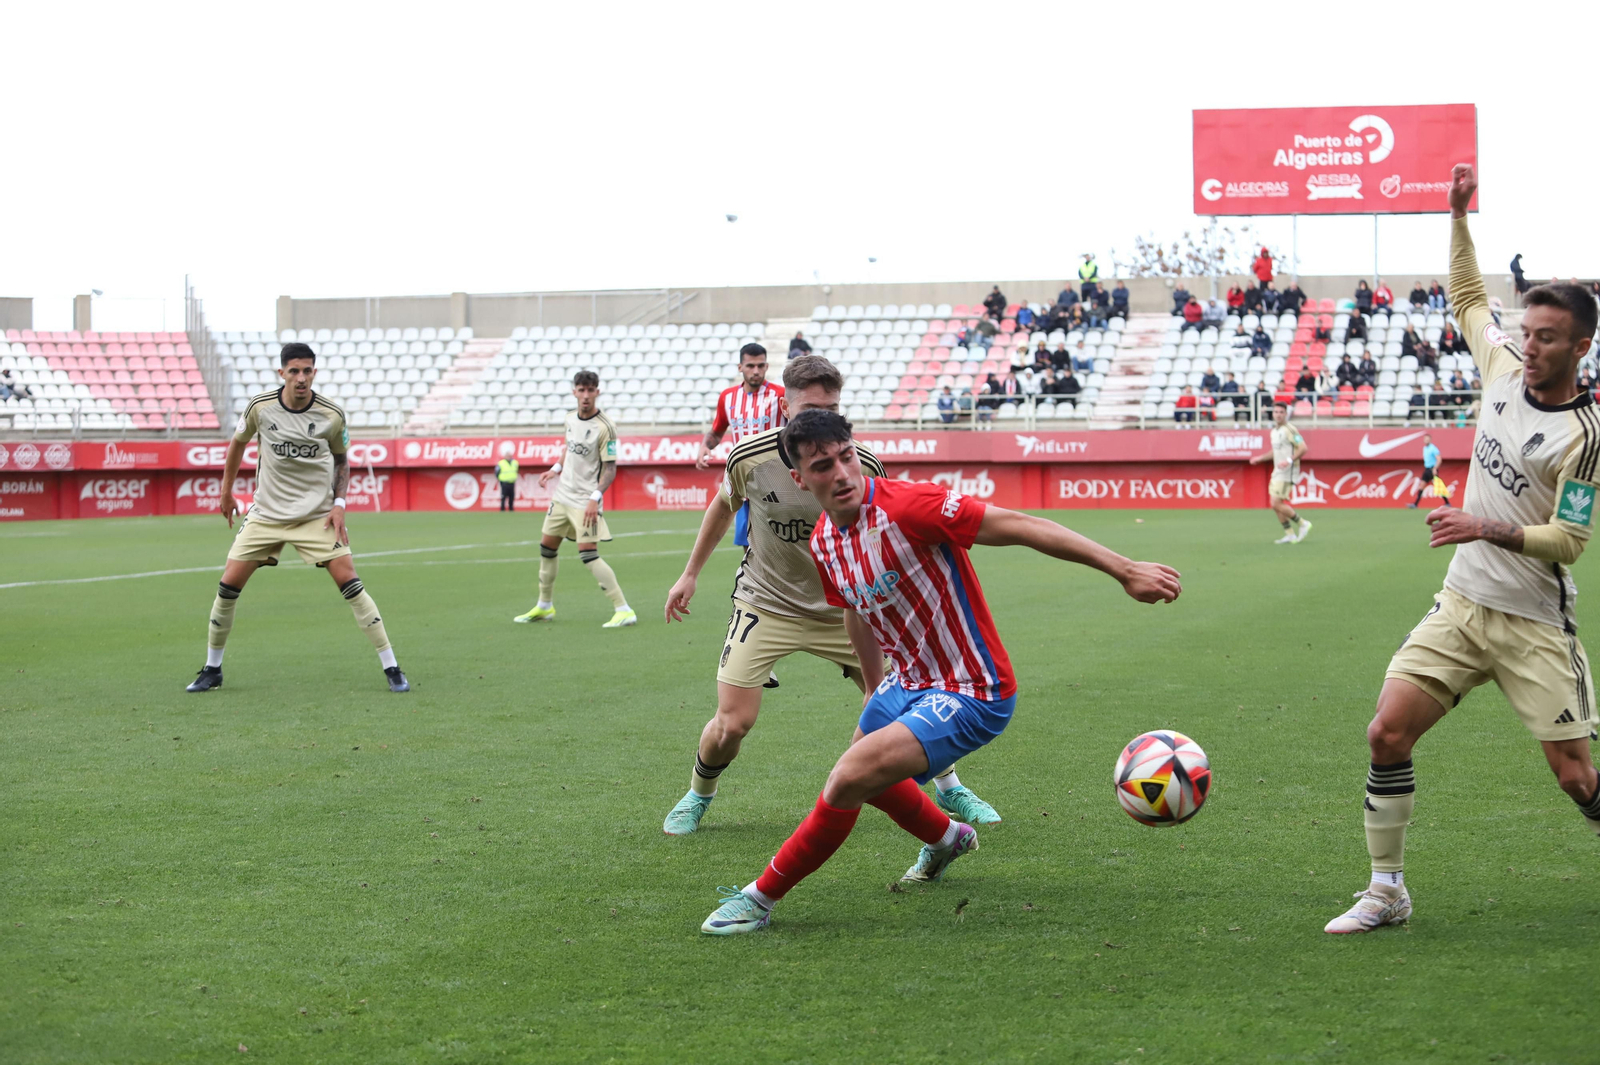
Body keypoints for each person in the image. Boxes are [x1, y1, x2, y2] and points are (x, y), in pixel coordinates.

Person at [698, 409, 1181, 935]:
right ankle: (948, 838)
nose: (839, 474)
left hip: (973, 687)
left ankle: (759, 898)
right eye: (821, 466)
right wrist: (871, 687)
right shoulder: (825, 543)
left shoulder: (911, 506)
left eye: (844, 457)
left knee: (848, 778)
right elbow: (855, 613)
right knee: (871, 778)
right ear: (799, 478)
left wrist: (1125, 569)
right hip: (906, 680)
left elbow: (1021, 525)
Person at [1325, 164, 1600, 936]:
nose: (1530, 344)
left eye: (1548, 336)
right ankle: (1387, 889)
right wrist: (1456, 214)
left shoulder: (1585, 435)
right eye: (1527, 331)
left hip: (1533, 623)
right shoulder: (1502, 367)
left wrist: (1491, 526)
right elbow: (1469, 298)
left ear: (1581, 344)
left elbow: (1570, 542)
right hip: (1462, 602)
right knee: (1387, 731)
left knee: (1577, 777)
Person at [662, 358, 1003, 838]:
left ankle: (949, 787)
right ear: (785, 407)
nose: (821, 423)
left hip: (847, 609)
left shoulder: (861, 463)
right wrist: (689, 573)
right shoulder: (748, 458)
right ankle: (698, 794)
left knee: (911, 704)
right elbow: (724, 504)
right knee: (732, 724)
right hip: (767, 601)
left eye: (832, 409)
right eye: (809, 410)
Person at [183, 342, 409, 694]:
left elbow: (341, 460)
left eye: (307, 371)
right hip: (266, 515)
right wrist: (226, 492)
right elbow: (237, 444)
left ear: (314, 373)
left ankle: (392, 666)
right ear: (282, 373)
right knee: (228, 586)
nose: (301, 378)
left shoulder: (331, 414)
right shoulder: (261, 408)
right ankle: (212, 669)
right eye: (294, 371)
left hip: (316, 516)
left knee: (350, 581)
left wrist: (340, 504)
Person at [514, 371, 634, 628]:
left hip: (585, 501)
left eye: (591, 390)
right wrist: (555, 469)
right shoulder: (569, 418)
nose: (586, 395)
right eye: (581, 390)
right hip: (562, 496)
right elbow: (569, 447)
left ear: (597, 392)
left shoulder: (606, 427)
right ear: (574, 392)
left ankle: (623, 609)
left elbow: (610, 469)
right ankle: (545, 606)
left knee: (588, 554)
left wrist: (594, 499)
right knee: (547, 547)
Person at [696, 343, 786, 555]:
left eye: (761, 365)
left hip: (778, 483)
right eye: (750, 366)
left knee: (781, 547)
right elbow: (717, 431)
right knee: (749, 549)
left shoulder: (781, 395)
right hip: (743, 484)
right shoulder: (727, 398)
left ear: (767, 366)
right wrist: (705, 446)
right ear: (740, 367)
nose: (756, 371)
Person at [1248, 401, 1312, 544]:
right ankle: (1289, 534)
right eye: (1276, 412)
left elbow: (1303, 448)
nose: (1278, 415)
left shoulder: (1290, 429)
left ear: (1286, 414)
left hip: (1287, 471)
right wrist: (1260, 458)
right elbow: (1275, 452)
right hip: (1278, 470)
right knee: (1275, 503)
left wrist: (1289, 460)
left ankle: (1302, 523)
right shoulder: (1274, 432)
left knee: (1276, 503)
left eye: (1281, 412)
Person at [1405, 433, 1451, 510]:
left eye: (1427, 439)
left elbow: (1439, 459)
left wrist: (1435, 468)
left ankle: (1447, 503)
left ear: (1430, 440)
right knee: (1421, 486)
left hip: (1432, 470)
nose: (1426, 440)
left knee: (1438, 486)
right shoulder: (1424, 448)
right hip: (1426, 470)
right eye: (1425, 439)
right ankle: (1415, 504)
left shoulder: (1433, 448)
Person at [495, 443, 519, 512]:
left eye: (510, 455)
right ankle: (502, 509)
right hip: (504, 482)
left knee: (512, 497)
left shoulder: (515, 462)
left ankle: (511, 509)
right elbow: (497, 472)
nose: (509, 456)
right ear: (505, 456)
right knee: (503, 496)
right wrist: (500, 479)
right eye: (507, 455)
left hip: (512, 482)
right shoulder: (501, 463)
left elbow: (516, 471)